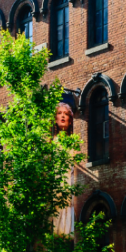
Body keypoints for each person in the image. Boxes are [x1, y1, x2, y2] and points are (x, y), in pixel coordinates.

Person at [53, 100, 76, 236]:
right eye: (59, 113)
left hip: (70, 182)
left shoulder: (74, 142)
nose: (62, 116)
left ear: (71, 119)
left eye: (66, 114)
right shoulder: (52, 142)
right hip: (56, 184)